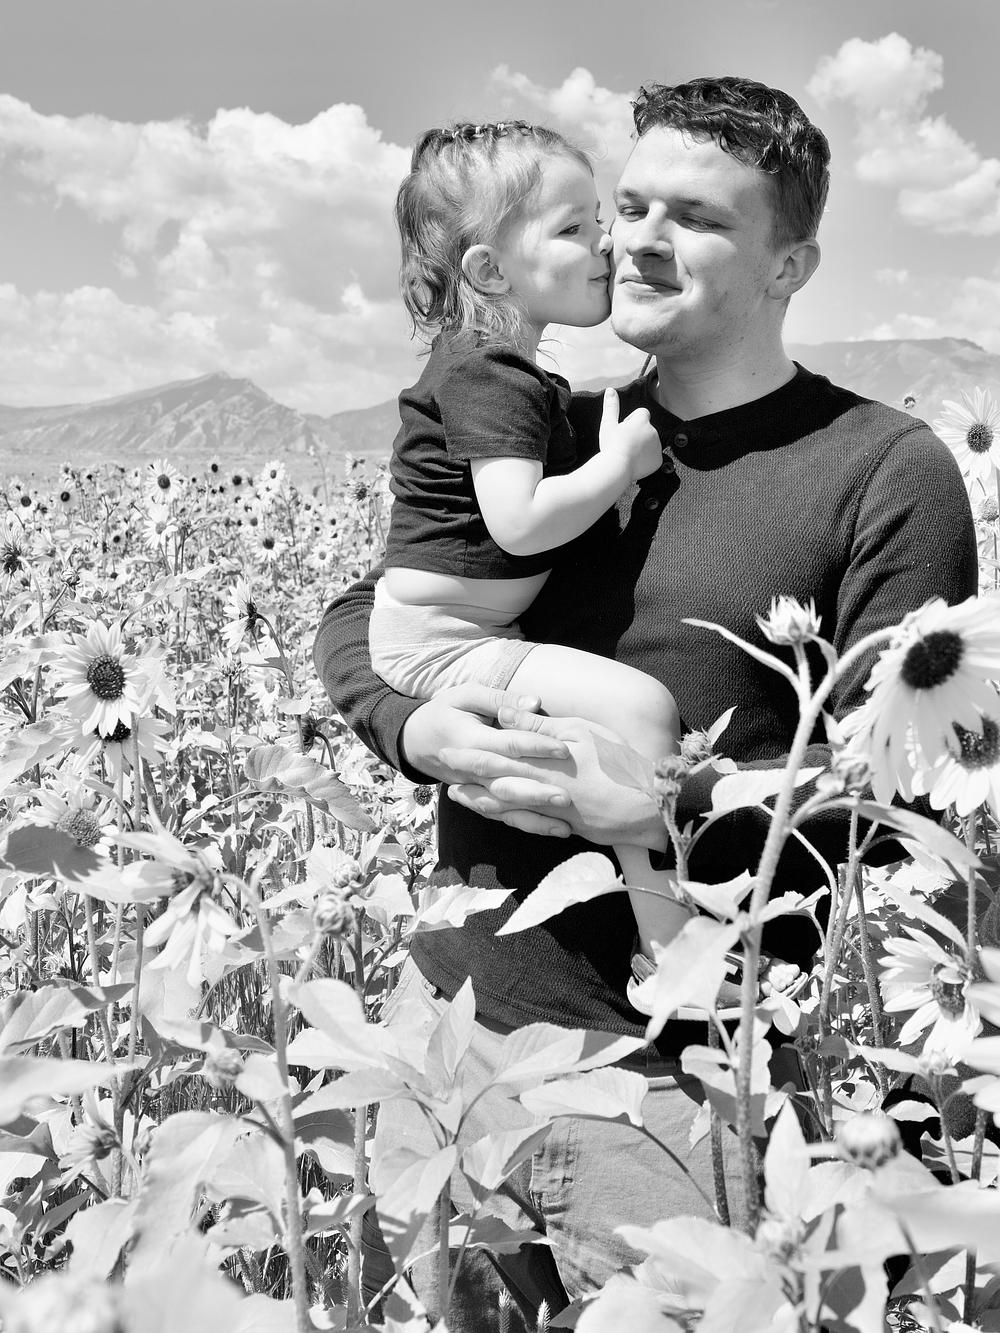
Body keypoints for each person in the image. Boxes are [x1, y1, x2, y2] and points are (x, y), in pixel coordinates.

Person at [314, 77, 978, 1329]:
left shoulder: (881, 472)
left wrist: (669, 808)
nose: (638, 241)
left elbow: (903, 794)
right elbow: (375, 606)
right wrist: (412, 728)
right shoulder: (565, 428)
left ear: (790, 265)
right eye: (626, 207)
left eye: (697, 218)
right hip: (452, 1030)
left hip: (669, 1079)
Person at [371, 118, 698, 996]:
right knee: (640, 712)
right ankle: (677, 959)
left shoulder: (498, 372)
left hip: (451, 627)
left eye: (598, 220)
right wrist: (618, 466)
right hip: (444, 639)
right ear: (489, 271)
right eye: (574, 228)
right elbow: (516, 524)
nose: (607, 244)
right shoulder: (491, 375)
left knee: (611, 728)